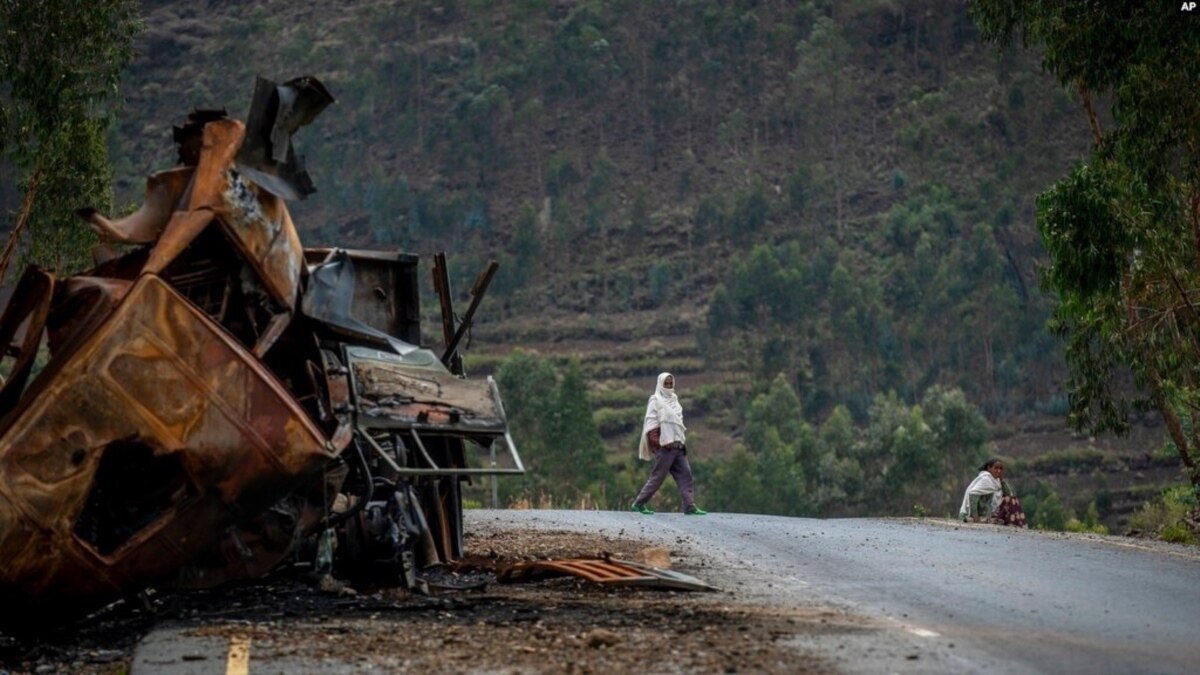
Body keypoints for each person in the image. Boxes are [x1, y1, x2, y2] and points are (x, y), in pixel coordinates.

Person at [630, 372, 707, 516]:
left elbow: (677, 425)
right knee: (657, 478)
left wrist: (681, 444)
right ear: (660, 384)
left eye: (671, 383)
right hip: (665, 449)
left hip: (678, 448)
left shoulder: (675, 400)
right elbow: (651, 425)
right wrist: (660, 444)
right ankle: (638, 504)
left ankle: (689, 506)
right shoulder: (655, 400)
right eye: (666, 383)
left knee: (686, 475)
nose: (669, 386)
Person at [959, 458, 1027, 527]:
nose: (999, 471)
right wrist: (976, 518)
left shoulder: (996, 481)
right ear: (989, 468)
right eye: (996, 468)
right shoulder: (986, 479)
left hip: (989, 512)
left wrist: (1001, 480)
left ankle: (1013, 523)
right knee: (1011, 500)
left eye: (1001, 469)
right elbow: (972, 494)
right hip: (976, 513)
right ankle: (1014, 524)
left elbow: (1008, 494)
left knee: (1012, 499)